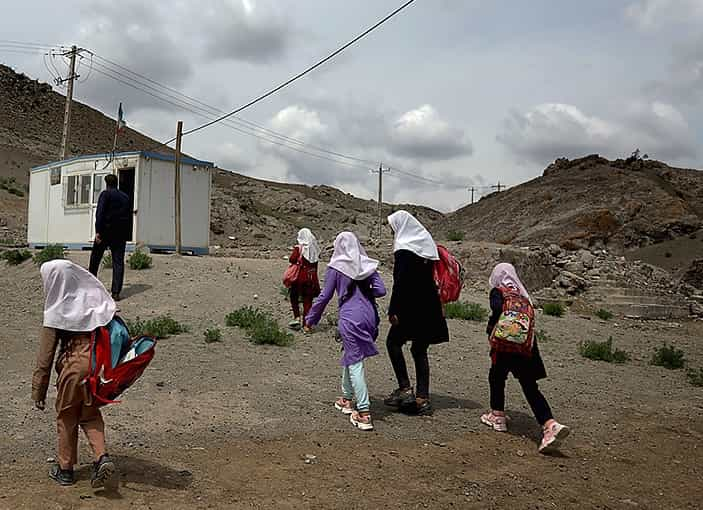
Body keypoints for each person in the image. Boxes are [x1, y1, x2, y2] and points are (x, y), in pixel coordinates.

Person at [32, 259, 118, 487]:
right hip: (95, 364)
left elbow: (45, 357)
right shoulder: (93, 302)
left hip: (73, 367)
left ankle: (65, 469)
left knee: (67, 415)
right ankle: (102, 457)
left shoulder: (57, 309)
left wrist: (38, 391)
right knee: (89, 413)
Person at [481, 262, 570, 454]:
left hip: (504, 346)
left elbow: (497, 312)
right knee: (530, 386)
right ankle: (549, 423)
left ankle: (497, 416)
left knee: (496, 377)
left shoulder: (499, 291)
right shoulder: (523, 295)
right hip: (526, 348)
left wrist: (490, 331)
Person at [305, 232, 386, 431]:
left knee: (355, 362)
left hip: (350, 317)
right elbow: (381, 290)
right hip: (369, 315)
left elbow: (324, 297)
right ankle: (346, 399)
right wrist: (364, 289)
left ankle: (364, 413)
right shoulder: (367, 265)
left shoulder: (336, 267)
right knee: (350, 355)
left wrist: (310, 320)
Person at [384, 210, 448, 416]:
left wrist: (394, 309)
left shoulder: (404, 249)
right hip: (429, 306)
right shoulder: (426, 246)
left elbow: (401, 283)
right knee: (419, 349)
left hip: (410, 307)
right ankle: (422, 398)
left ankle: (405, 389)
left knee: (393, 343)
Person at [88, 173, 131, 301]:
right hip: (120, 234)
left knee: (95, 259)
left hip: (105, 232)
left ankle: (91, 287)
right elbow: (128, 217)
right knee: (118, 262)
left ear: (106, 183)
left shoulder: (105, 194)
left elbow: (100, 213)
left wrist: (98, 231)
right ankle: (116, 292)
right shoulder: (125, 197)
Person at [287, 228, 321, 330]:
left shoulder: (299, 248)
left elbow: (292, 259)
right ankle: (307, 325)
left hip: (299, 278)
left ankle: (297, 317)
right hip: (311, 278)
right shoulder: (315, 250)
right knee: (308, 301)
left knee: (294, 297)